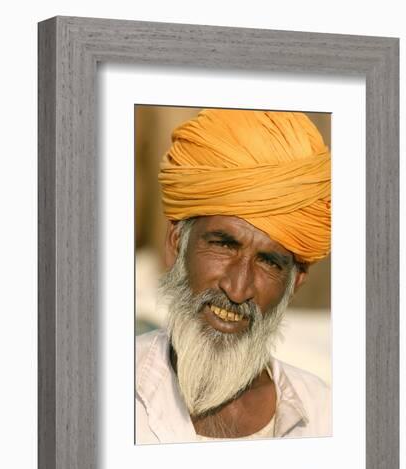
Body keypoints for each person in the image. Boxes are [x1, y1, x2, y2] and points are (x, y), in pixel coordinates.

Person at [135, 109, 331, 444]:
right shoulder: (95, 388)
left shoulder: (326, 416)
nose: (238, 289)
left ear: (295, 281)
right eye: (224, 245)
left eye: (269, 262)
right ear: (176, 243)